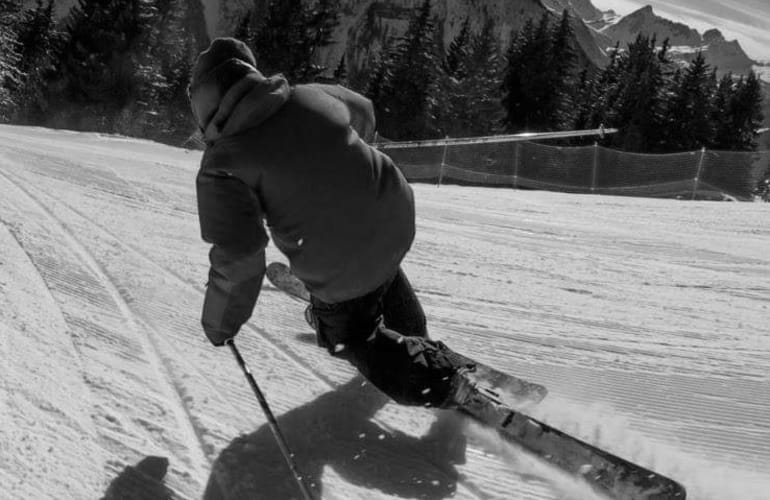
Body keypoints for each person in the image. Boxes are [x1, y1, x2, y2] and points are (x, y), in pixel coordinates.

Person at [188, 38, 474, 409]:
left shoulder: (222, 165)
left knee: (348, 336)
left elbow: (240, 255)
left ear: (202, 104)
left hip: (341, 262)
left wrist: (220, 325)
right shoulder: (309, 95)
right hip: (394, 214)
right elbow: (364, 111)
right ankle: (410, 330)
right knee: (375, 259)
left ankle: (442, 383)